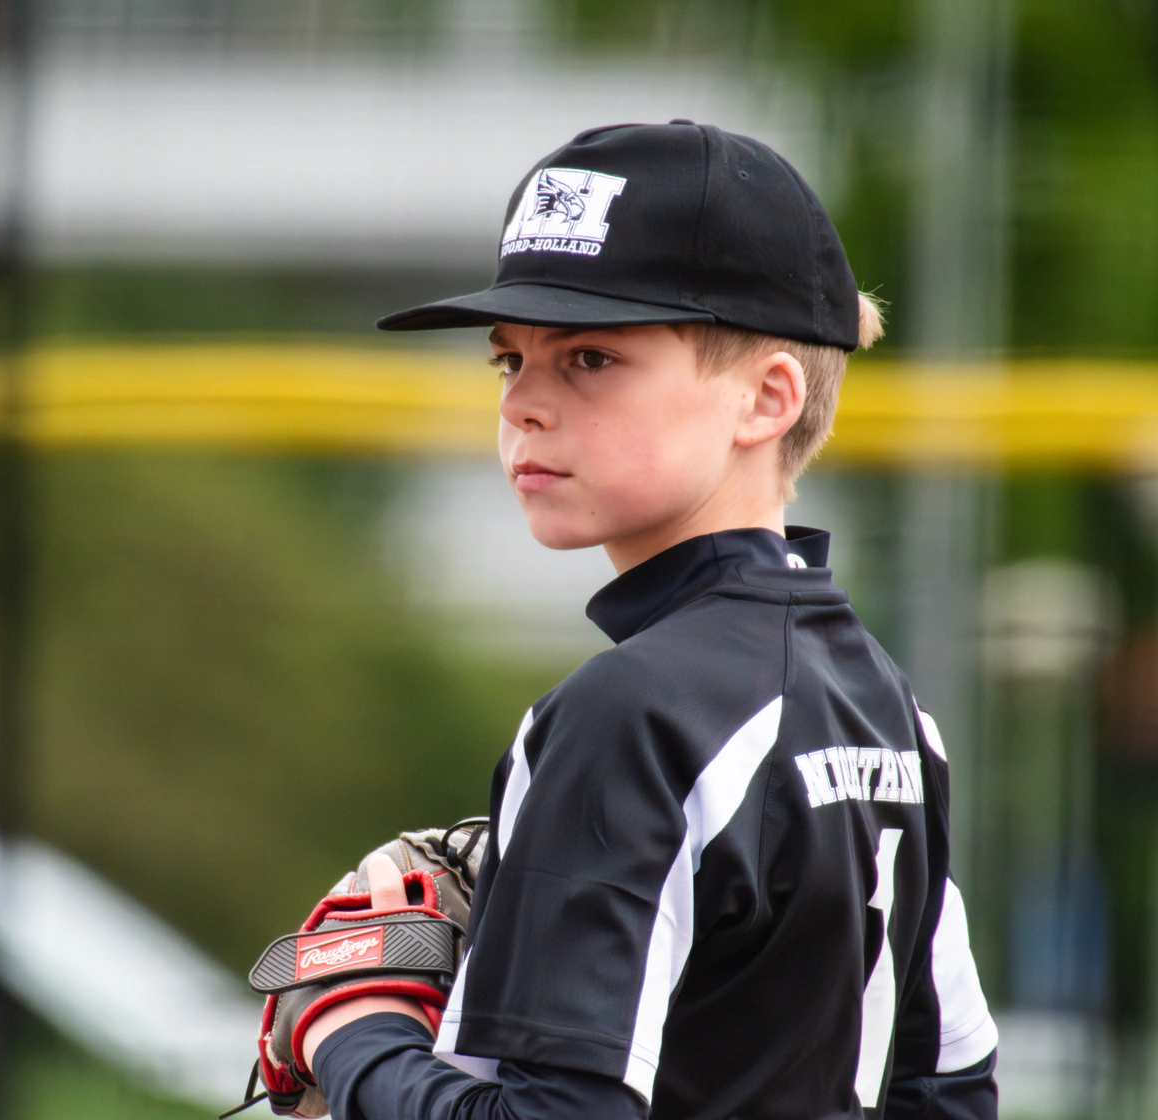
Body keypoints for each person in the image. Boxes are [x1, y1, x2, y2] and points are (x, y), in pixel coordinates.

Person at [300, 122, 998, 1120]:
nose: (526, 404)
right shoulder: (890, 710)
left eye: (589, 356)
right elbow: (952, 1094)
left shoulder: (632, 715)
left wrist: (354, 1032)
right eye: (510, 359)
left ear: (765, 397)